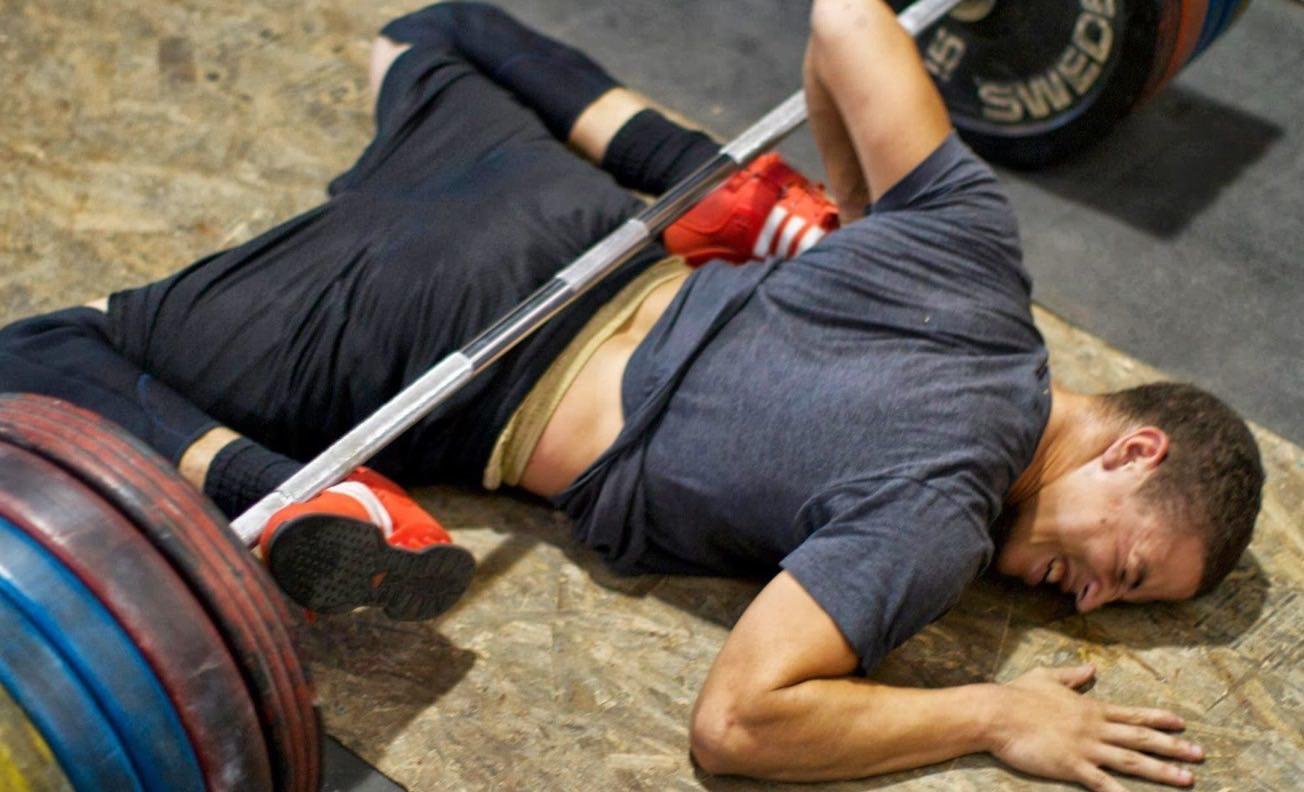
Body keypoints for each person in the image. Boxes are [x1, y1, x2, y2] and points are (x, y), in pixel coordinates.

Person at [0, 2, 1263, 790]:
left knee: (437, 33)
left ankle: (749, 202)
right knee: (45, 351)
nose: (1089, 603)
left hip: (569, 223)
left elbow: (844, 21)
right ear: (1131, 451)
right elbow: (739, 725)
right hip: (423, 355)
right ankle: (274, 496)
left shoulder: (979, 255)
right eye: (1127, 571)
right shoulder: (937, 520)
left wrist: (855, 223)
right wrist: (993, 715)